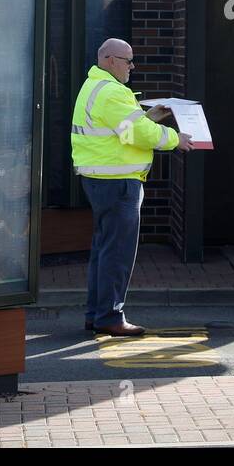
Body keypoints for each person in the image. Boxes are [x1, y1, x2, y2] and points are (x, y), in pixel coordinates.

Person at [71, 38, 193, 336]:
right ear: (110, 60)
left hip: (101, 178)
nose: (132, 66)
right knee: (117, 252)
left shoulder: (94, 87)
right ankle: (110, 317)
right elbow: (138, 134)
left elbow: (124, 130)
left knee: (103, 249)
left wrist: (148, 117)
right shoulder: (112, 92)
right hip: (118, 182)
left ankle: (96, 314)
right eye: (128, 60)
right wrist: (177, 138)